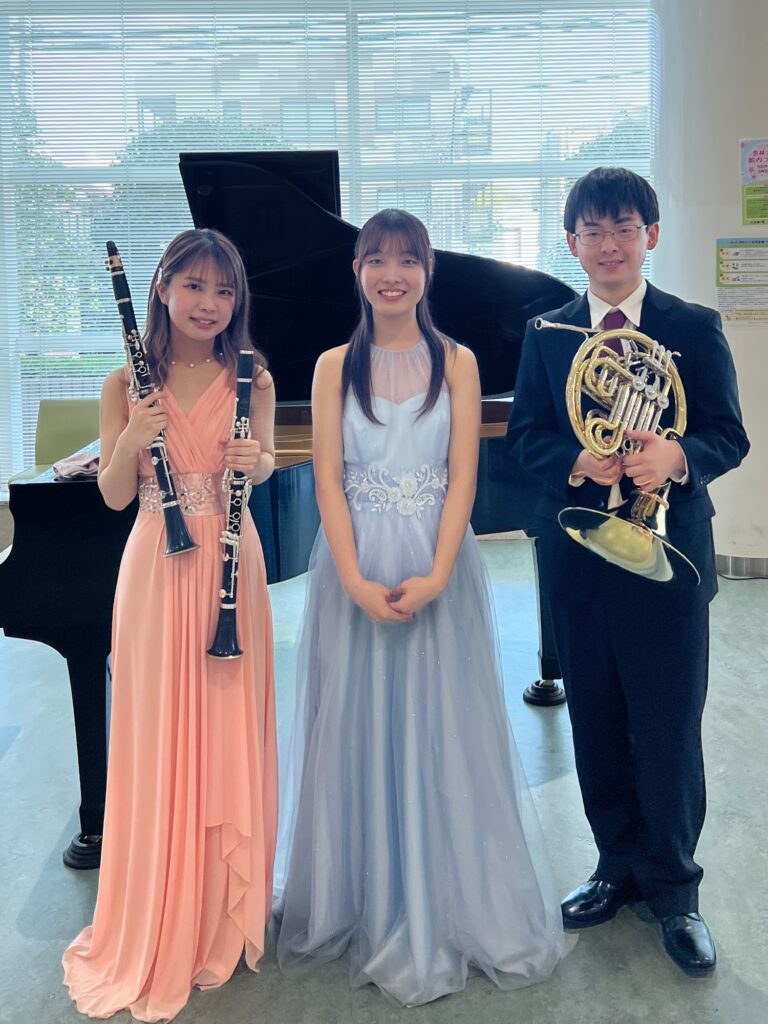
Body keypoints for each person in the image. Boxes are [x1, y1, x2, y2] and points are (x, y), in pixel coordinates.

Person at [275, 209, 563, 1006]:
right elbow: (327, 479)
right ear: (357, 272)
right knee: (358, 723)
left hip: (439, 563)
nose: (391, 275)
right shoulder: (332, 365)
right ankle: (364, 894)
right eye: (377, 260)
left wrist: (437, 574)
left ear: (428, 272)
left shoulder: (458, 362)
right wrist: (353, 577)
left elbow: (463, 476)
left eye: (407, 260)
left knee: (441, 725)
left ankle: (445, 897)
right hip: (355, 566)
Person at [506, 167, 750, 977]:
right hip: (580, 556)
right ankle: (615, 866)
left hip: (668, 556)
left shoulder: (692, 326)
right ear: (571, 243)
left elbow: (727, 434)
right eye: (592, 231)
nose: (608, 244)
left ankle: (675, 891)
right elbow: (525, 437)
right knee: (598, 721)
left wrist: (677, 456)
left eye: (623, 228)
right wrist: (577, 460)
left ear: (651, 235)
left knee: (669, 724)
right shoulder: (546, 333)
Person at [63, 228, 278, 1021]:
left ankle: (220, 905)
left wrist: (259, 463)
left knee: (224, 726)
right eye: (193, 286)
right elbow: (115, 495)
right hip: (157, 565)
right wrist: (131, 436)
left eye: (223, 290)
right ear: (161, 288)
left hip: (230, 563)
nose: (208, 304)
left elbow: (267, 461)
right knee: (158, 734)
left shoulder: (253, 373)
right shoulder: (125, 380)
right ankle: (161, 905)